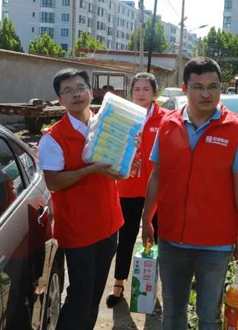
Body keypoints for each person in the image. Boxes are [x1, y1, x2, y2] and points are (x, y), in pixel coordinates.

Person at [141, 57, 238, 329]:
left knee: (208, 316)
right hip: (171, 240)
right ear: (184, 88)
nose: (206, 93)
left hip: (214, 243)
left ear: (221, 89)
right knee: (172, 314)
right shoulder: (168, 125)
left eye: (213, 86)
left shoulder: (236, 129)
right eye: (198, 87)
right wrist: (146, 220)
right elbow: (157, 175)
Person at [38, 68, 124, 330]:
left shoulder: (106, 126)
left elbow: (117, 170)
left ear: (90, 91)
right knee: (79, 296)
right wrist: (91, 169)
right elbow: (53, 182)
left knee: (95, 295)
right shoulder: (53, 138)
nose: (76, 94)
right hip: (79, 231)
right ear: (60, 100)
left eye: (80, 88)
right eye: (68, 91)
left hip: (109, 226)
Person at [106, 72, 167, 308]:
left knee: (154, 236)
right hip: (128, 188)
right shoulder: (124, 117)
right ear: (131, 93)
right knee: (127, 237)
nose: (141, 94)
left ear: (154, 93)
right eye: (137, 89)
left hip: (155, 189)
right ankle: (119, 284)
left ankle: (150, 281)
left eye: (146, 89)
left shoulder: (165, 119)